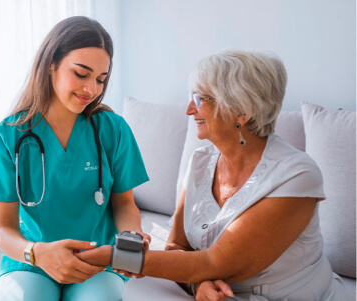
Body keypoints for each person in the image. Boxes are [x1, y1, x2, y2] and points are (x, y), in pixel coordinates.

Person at [75, 50, 347, 301]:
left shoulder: (296, 176)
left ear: (241, 110)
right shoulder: (200, 162)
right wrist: (196, 284)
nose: (189, 110)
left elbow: (215, 263)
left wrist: (111, 256)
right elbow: (176, 245)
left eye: (199, 99)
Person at [0, 16, 151, 301]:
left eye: (100, 79)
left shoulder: (113, 129)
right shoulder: (7, 136)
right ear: (51, 64)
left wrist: (133, 236)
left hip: (97, 260)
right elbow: (4, 229)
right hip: (30, 260)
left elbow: (124, 204)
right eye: (81, 74)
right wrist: (36, 252)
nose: (92, 90)